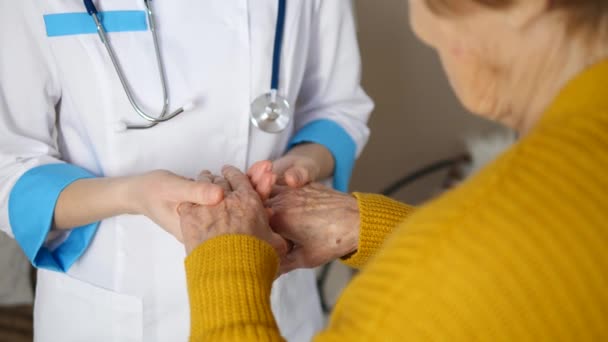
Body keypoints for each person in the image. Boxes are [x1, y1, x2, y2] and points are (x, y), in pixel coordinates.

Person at [178, 0, 608, 340]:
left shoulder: (425, 282)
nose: (418, 20)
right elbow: (541, 270)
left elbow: (488, 266)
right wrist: (378, 228)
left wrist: (225, 267)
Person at [0, 1, 372, 341]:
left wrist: (300, 167)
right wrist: (133, 196)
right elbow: (10, 166)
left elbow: (337, 109)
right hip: (111, 312)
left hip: (277, 299)